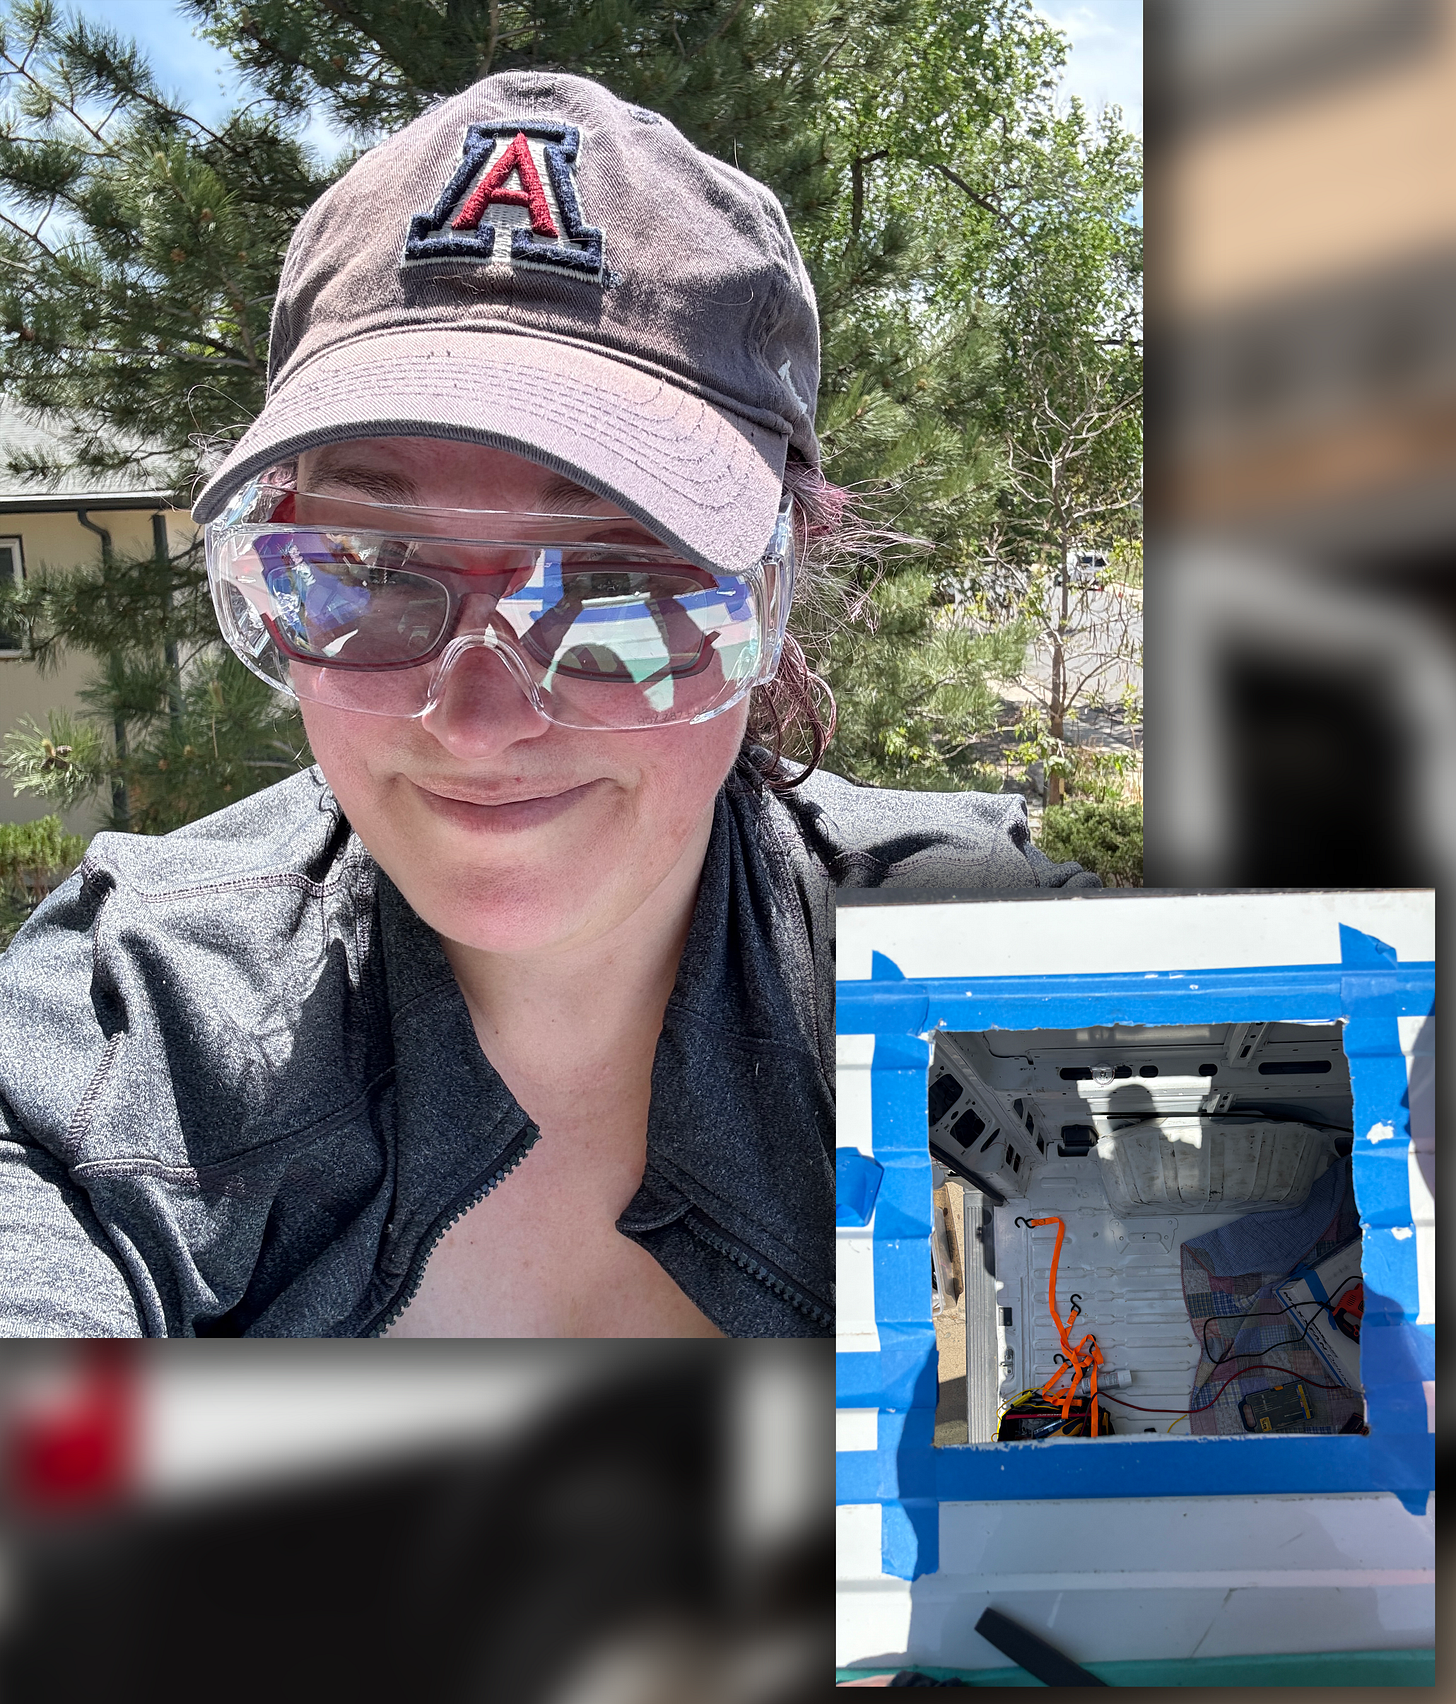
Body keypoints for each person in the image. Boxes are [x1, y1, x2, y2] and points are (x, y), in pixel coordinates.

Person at [0, 71, 1095, 1339]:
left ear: (777, 595)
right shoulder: (126, 1038)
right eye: (367, 576)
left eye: (621, 588)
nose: (473, 723)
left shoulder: (993, 968)